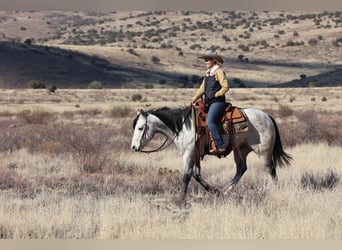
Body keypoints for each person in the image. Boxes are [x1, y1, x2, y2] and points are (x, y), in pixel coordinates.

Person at [191, 51, 229, 153]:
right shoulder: (207, 74)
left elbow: (226, 87)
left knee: (210, 121)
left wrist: (216, 94)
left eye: (207, 60)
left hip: (218, 102)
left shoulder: (219, 71)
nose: (205, 62)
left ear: (214, 61)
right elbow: (201, 89)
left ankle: (220, 145)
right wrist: (193, 99)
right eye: (205, 60)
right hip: (209, 103)